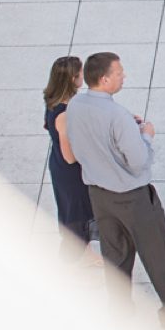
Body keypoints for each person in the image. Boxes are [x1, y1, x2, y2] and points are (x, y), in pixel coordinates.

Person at [60, 52, 165, 328]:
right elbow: (137, 161)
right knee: (157, 254)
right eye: (119, 72)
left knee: (115, 255)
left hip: (99, 195)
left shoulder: (76, 105)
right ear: (104, 79)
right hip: (133, 198)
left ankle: (120, 312)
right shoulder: (117, 116)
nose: (123, 76)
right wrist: (146, 135)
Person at [42, 54, 94, 258]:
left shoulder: (52, 100)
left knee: (74, 213)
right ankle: (71, 262)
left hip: (58, 166)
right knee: (76, 217)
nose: (84, 76)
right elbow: (70, 157)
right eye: (81, 73)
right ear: (73, 79)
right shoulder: (64, 114)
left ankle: (86, 254)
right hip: (71, 174)